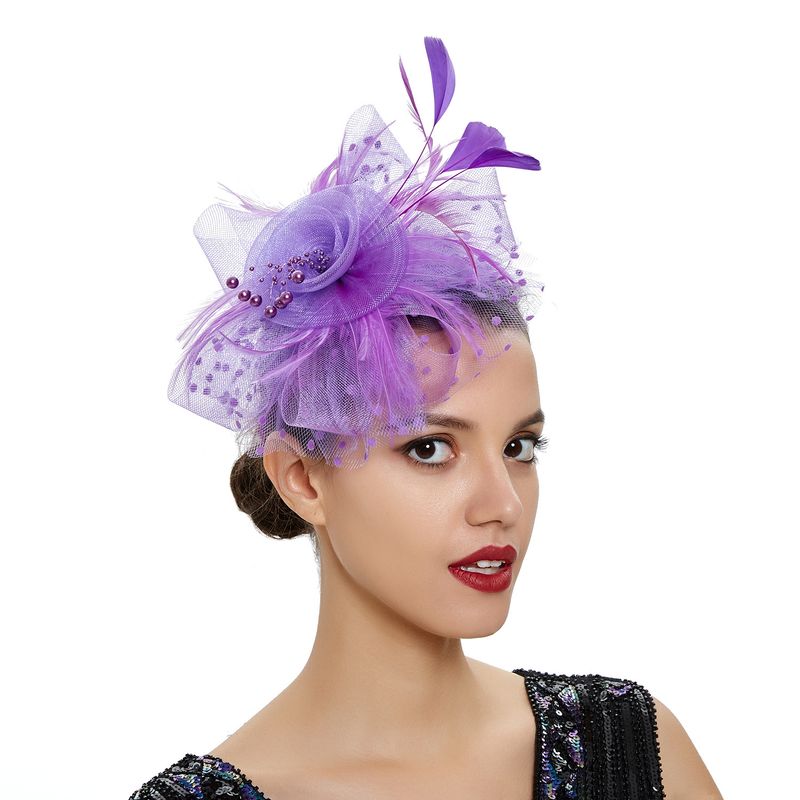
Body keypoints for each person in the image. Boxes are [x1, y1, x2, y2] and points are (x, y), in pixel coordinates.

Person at [129, 36, 723, 800]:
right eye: (432, 449)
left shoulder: (630, 745)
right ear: (302, 478)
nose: (502, 505)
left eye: (520, 447)